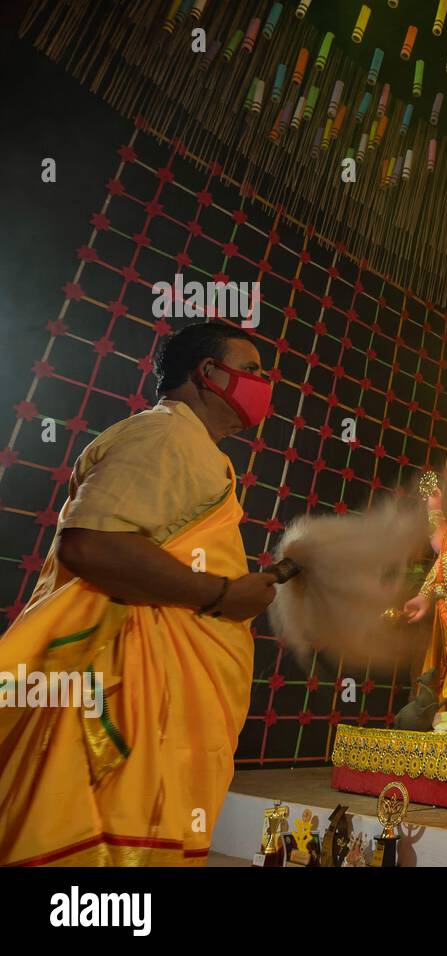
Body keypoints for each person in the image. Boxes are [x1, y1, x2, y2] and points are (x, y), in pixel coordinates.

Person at [0, 321, 279, 865]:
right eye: (251, 371)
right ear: (209, 374)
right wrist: (222, 596)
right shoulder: (166, 435)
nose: (262, 383)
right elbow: (91, 545)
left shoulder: (194, 447)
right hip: (122, 698)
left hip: (150, 698)